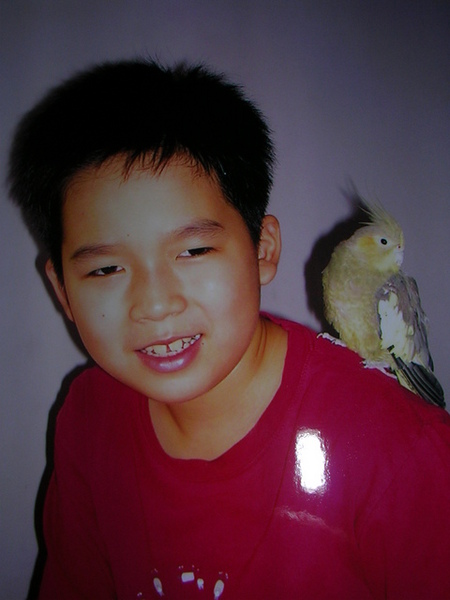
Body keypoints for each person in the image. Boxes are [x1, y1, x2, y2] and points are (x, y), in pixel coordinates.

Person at [8, 58, 450, 600]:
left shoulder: (399, 448)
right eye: (105, 269)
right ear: (62, 292)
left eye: (193, 251)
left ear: (262, 250)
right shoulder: (88, 416)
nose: (155, 304)